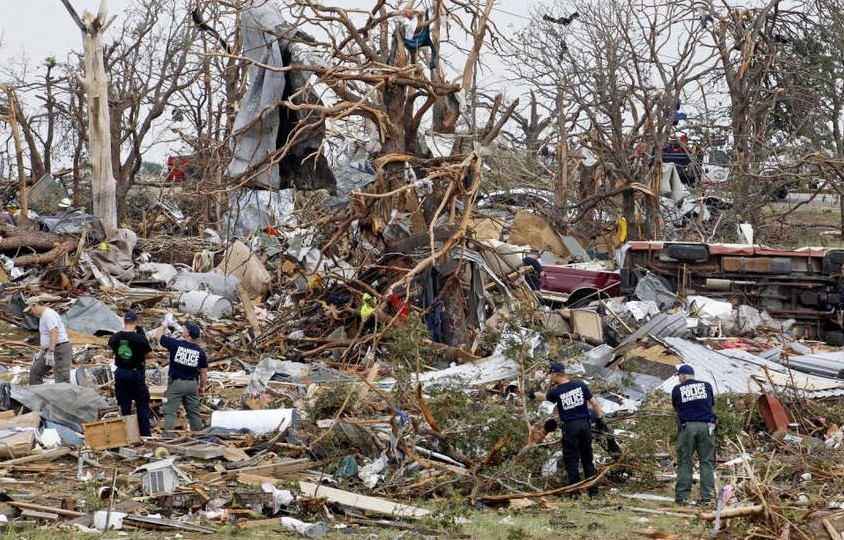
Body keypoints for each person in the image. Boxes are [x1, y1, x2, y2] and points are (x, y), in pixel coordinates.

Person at [545, 362, 605, 496]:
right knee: (587, 459)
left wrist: (533, 394)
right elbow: (595, 404)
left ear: (555, 374)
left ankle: (575, 494)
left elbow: (544, 398)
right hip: (585, 425)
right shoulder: (581, 385)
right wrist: (600, 420)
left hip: (570, 427)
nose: (550, 377)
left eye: (550, 375)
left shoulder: (556, 391)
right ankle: (593, 492)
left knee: (571, 460)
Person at [671, 364, 716, 506]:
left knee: (685, 462)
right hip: (706, 427)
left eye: (679, 377)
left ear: (683, 376)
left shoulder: (678, 389)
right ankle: (707, 498)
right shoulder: (707, 386)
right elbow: (711, 405)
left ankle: (682, 497)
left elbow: (676, 408)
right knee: (707, 462)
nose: (679, 380)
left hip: (688, 427)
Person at [154, 317, 208, 436]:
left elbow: (157, 336)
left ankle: (168, 437)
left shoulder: (176, 345)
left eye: (185, 329)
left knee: (170, 411)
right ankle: (199, 436)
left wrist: (164, 323)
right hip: (192, 384)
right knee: (194, 412)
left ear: (188, 334)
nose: (183, 329)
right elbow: (203, 372)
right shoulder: (200, 352)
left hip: (176, 384)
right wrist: (201, 387)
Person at [108, 311, 153, 437]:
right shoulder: (140, 339)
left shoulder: (115, 337)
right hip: (135, 373)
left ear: (124, 321)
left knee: (124, 405)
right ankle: (145, 435)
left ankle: (127, 435)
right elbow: (150, 355)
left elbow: (113, 348)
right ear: (136, 322)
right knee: (142, 404)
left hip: (120, 372)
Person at [24, 302, 72, 385]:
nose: (31, 313)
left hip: (59, 349)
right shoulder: (42, 316)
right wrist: (43, 350)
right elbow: (45, 335)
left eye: (31, 310)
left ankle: (63, 397)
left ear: (36, 305)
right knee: (35, 371)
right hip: (48, 350)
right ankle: (35, 394)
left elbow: (53, 331)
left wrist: (51, 350)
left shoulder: (48, 315)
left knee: (62, 378)